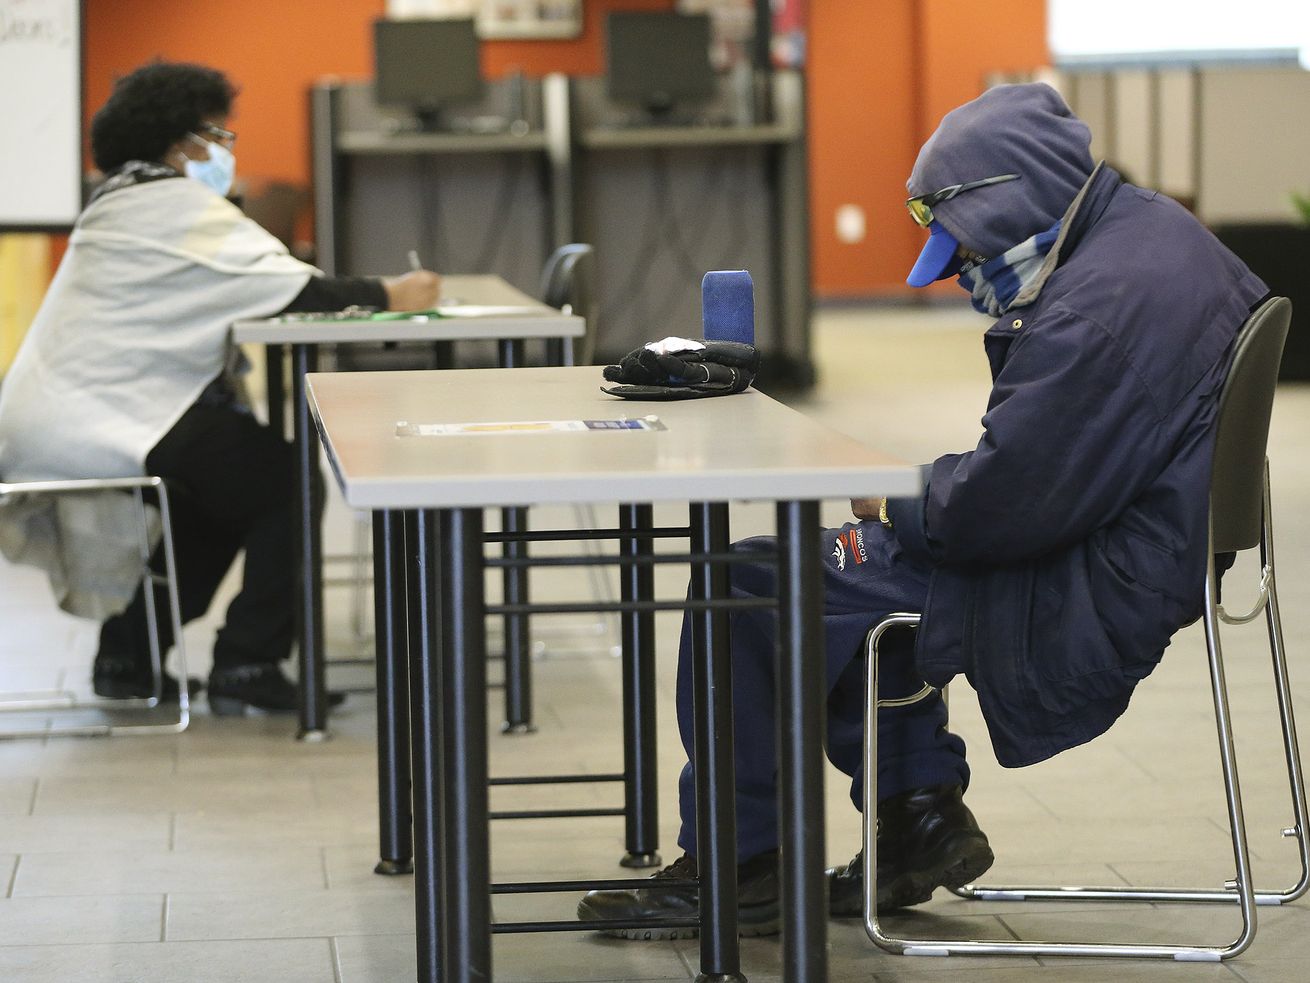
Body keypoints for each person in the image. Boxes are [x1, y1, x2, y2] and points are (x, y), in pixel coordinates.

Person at [577, 82, 1268, 937]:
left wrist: (904, 498)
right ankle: (919, 819)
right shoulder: (1152, 235)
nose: (967, 275)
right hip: (1142, 546)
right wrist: (913, 505)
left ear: (1011, 201)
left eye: (966, 251)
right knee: (846, 570)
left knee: (748, 583)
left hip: (1087, 579)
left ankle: (737, 864)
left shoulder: (1095, 315)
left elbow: (995, 510)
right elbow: (1041, 470)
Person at [0, 62, 441, 714]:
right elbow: (299, 289)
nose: (224, 151)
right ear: (181, 142)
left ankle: (129, 658)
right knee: (285, 480)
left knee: (228, 490)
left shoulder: (121, 199)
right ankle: (248, 661)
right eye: (217, 135)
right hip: (100, 414)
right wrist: (393, 293)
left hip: (76, 409)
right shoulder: (168, 204)